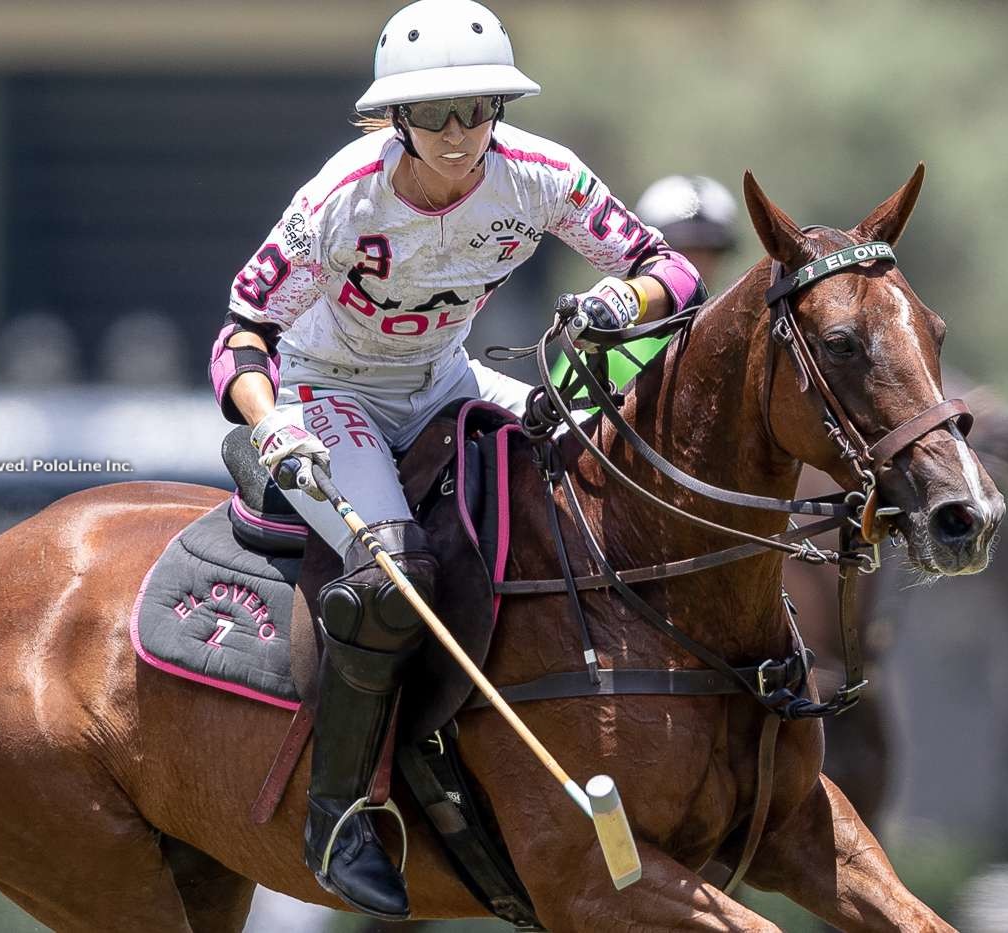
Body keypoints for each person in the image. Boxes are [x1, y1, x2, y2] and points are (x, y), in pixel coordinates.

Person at [206, 0, 704, 919]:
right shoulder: (340, 198)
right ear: (395, 116)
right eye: (435, 113)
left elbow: (672, 272)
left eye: (478, 109)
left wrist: (615, 305)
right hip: (330, 392)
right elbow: (244, 331)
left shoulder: (541, 176)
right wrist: (270, 420)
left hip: (446, 380)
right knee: (393, 575)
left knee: (600, 479)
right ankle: (340, 812)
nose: (460, 133)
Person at [550, 173, 738, 391]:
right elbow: (562, 419)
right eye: (680, 251)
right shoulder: (602, 332)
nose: (692, 266)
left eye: (707, 251)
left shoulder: (733, 335)